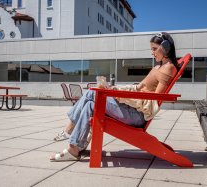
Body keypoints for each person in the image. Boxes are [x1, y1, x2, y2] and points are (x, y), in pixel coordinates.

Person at [50, 32, 178, 161]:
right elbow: (138, 87)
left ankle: (69, 131)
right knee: (90, 103)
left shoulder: (169, 68)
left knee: (91, 93)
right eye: (152, 49)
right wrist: (115, 89)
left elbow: (155, 98)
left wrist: (123, 96)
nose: (152, 52)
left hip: (137, 115)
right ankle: (75, 148)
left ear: (165, 48)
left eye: (155, 49)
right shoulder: (157, 67)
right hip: (132, 108)